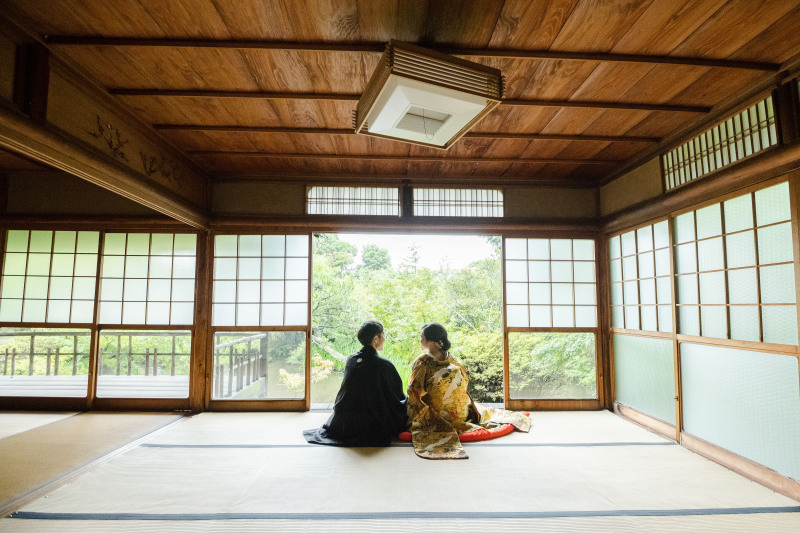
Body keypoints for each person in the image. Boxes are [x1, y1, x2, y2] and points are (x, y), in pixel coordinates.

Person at [407, 323, 530, 459]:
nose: (420, 340)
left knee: (411, 404)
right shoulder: (451, 358)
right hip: (461, 413)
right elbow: (465, 381)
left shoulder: (422, 361)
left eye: (422, 338)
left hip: (436, 415)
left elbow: (414, 390)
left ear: (435, 343)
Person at [304, 320, 408, 447]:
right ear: (376, 339)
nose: (384, 339)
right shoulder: (383, 364)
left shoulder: (351, 359)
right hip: (371, 423)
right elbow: (396, 395)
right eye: (383, 335)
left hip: (344, 421)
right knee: (405, 402)